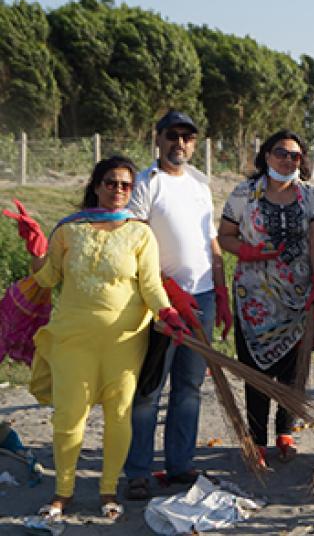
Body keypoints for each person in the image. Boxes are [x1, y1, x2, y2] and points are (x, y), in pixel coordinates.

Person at [4, 156, 191, 521]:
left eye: (125, 184)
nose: (118, 190)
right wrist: (36, 250)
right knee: (69, 415)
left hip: (124, 340)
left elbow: (150, 284)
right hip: (74, 336)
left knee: (119, 414)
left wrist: (167, 312)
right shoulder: (69, 229)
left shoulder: (140, 232)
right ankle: (63, 492)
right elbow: (46, 279)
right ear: (97, 185)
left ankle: (108, 490)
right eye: (111, 183)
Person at [124, 110, 232, 500]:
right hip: (159, 301)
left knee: (189, 386)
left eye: (187, 137)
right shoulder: (144, 184)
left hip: (201, 298)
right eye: (173, 136)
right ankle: (137, 470)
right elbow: (132, 244)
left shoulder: (200, 185)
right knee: (150, 387)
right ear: (159, 138)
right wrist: (167, 289)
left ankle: (180, 465)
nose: (180, 143)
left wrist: (220, 294)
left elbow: (212, 243)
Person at [218, 129, 314, 464]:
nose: (288, 160)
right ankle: (256, 439)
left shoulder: (311, 197)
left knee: (295, 369)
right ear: (266, 155)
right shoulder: (244, 194)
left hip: (298, 297)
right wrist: (246, 251)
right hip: (255, 300)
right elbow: (224, 236)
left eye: (295, 155)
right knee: (257, 370)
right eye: (281, 153)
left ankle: (286, 432)